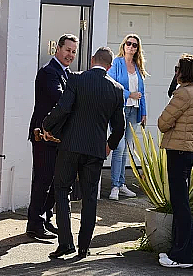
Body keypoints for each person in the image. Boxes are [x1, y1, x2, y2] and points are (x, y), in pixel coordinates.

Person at [42, 47, 125, 260]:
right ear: (110, 66)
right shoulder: (116, 89)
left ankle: (65, 243)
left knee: (62, 190)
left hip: (70, 145)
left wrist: (47, 125)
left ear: (91, 60)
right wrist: (109, 145)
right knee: (89, 197)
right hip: (95, 150)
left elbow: (64, 108)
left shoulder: (76, 79)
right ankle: (84, 247)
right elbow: (120, 127)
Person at [25, 34, 78, 240]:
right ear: (57, 48)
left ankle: (45, 219)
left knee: (55, 181)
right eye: (67, 50)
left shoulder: (66, 73)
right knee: (43, 180)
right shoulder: (49, 72)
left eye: (74, 51)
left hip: (57, 137)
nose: (70, 55)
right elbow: (60, 99)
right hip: (43, 136)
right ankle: (34, 225)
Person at [157, 54, 193, 269]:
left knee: (180, 204)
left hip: (178, 151)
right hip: (189, 150)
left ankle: (183, 255)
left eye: (178, 69)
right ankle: (177, 251)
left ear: (183, 72)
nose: (175, 73)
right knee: (181, 202)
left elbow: (162, 122)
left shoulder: (183, 93)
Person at [107, 34, 147, 200]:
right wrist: (129, 94)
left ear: (138, 49)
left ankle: (122, 184)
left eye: (134, 45)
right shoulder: (116, 63)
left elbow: (142, 93)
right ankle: (115, 186)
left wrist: (143, 112)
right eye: (128, 44)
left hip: (133, 111)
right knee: (120, 147)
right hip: (119, 110)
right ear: (123, 46)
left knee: (127, 151)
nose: (131, 47)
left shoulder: (138, 66)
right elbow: (112, 85)